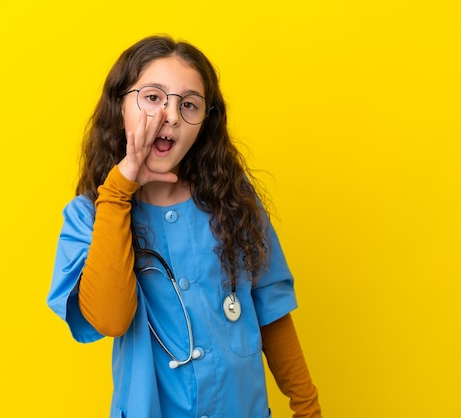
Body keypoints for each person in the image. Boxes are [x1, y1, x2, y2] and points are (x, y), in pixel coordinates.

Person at [47, 35, 322, 418]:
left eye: (188, 104)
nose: (170, 115)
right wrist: (120, 188)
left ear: (203, 125)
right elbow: (110, 318)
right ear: (120, 106)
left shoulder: (233, 201)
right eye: (154, 97)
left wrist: (307, 407)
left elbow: (271, 312)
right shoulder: (90, 216)